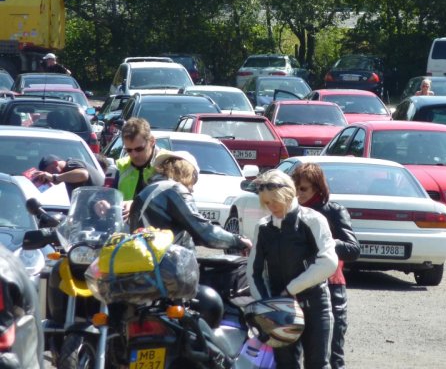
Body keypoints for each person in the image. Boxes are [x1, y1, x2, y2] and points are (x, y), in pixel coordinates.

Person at [128, 150, 252, 330]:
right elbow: (206, 233)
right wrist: (239, 241)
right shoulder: (173, 189)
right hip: (171, 271)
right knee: (240, 269)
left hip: (145, 269)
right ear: (187, 172)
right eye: (194, 180)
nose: (192, 188)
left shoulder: (146, 191)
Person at [247, 170, 338, 369]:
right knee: (285, 364)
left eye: (274, 201)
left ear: (288, 194)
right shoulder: (263, 227)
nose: (271, 207)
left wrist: (291, 289)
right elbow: (254, 272)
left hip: (315, 304)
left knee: (318, 364)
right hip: (279, 309)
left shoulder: (313, 220)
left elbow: (329, 262)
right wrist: (267, 304)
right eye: (266, 203)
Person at [291, 163, 360, 369]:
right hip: (296, 286)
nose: (298, 193)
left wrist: (326, 242)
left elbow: (353, 249)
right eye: (295, 187)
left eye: (303, 189)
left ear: (318, 188)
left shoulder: (334, 210)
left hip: (331, 286)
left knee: (331, 355)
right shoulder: (290, 212)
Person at [114, 117, 165, 216]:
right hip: (126, 228)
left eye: (139, 149)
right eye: (128, 150)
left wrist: (135, 205)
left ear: (152, 141)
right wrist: (101, 203)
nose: (134, 155)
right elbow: (106, 196)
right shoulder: (119, 167)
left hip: (159, 229)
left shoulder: (167, 164)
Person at [32, 154, 103, 199]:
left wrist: (55, 178)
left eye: (49, 171)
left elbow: (83, 175)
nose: (50, 174)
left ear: (55, 163)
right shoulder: (66, 174)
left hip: (100, 206)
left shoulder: (71, 164)